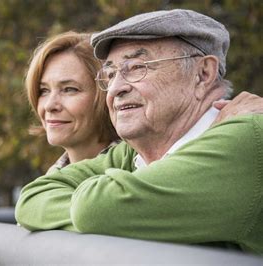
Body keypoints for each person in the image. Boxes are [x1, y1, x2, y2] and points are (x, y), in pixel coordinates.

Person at [15, 9, 263, 254]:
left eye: (136, 67)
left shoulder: (245, 139)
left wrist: (99, 212)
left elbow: (96, 210)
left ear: (203, 73)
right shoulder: (132, 153)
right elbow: (32, 199)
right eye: (110, 74)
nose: (115, 89)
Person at [25, 31, 119, 172]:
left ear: (106, 93)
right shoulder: (49, 184)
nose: (50, 106)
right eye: (44, 90)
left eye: (69, 89)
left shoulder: (138, 172)